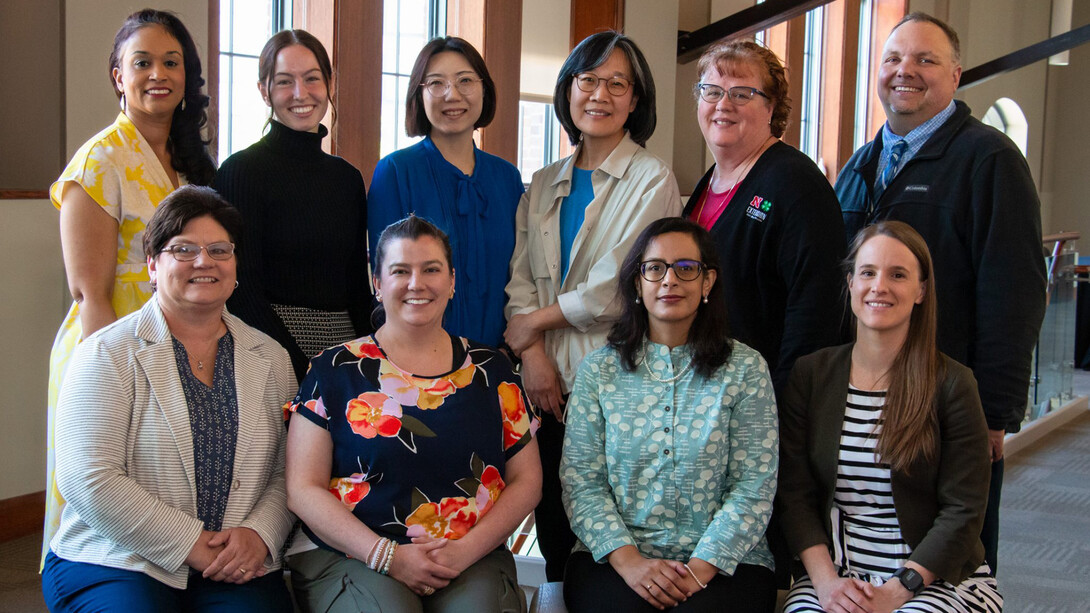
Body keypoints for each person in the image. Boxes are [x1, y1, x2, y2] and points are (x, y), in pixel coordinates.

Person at [834, 12, 1047, 575]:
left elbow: (1015, 292)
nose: (905, 71)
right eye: (893, 59)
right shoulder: (861, 163)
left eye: (925, 60)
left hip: (950, 404)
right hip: (865, 399)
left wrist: (996, 413)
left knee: (952, 558)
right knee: (869, 554)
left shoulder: (990, 160)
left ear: (955, 76)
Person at [41, 186, 296, 612]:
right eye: (183, 249)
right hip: (117, 557)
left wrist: (259, 535)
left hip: (235, 561)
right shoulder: (106, 352)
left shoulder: (270, 356)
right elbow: (88, 478)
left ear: (234, 266)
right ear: (152, 266)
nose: (204, 261)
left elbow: (289, 467)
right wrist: (190, 545)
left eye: (219, 249)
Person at [285, 216, 541, 612]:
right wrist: (387, 556)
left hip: (470, 554)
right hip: (353, 552)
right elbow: (303, 488)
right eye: (400, 271)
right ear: (377, 283)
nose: (416, 283)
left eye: (431, 270)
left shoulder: (494, 370)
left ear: (452, 281)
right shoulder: (331, 370)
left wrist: (464, 551)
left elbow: (526, 481)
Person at [505, 30, 682, 582]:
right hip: (543, 382)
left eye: (616, 83)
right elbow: (520, 278)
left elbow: (618, 287)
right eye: (588, 80)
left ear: (635, 99)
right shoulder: (541, 183)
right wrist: (533, 357)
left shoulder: (652, 178)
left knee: (608, 522)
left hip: (614, 380)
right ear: (568, 90)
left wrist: (529, 325)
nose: (599, 95)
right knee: (553, 515)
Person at [43, 8, 216, 566]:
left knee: (166, 501)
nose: (157, 74)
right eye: (141, 62)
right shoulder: (99, 160)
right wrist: (110, 380)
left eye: (171, 62)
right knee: (110, 513)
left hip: (178, 347)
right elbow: (88, 293)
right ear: (119, 74)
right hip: (111, 351)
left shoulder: (186, 165)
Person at [779, 221, 1002, 613]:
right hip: (836, 573)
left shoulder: (953, 383)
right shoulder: (811, 375)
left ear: (921, 290)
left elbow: (964, 509)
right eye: (867, 272)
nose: (879, 286)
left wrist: (899, 590)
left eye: (897, 275)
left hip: (932, 575)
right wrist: (826, 583)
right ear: (850, 283)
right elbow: (795, 495)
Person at [561, 217, 778, 613]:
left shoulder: (746, 369)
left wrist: (699, 568)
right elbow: (582, 482)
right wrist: (631, 563)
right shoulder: (599, 371)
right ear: (638, 284)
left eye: (686, 268)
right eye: (655, 268)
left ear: (707, 282)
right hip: (615, 558)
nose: (670, 280)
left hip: (727, 563)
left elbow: (753, 487)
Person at [683, 40, 846, 394]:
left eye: (742, 94)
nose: (723, 105)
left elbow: (815, 313)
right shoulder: (708, 182)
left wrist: (785, 410)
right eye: (711, 91)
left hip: (764, 401)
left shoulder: (796, 184)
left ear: (771, 107)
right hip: (706, 394)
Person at [215, 29, 372, 383]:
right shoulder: (241, 171)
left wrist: (366, 358)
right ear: (263, 90)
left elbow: (356, 287)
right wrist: (299, 366)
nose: (301, 93)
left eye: (312, 79)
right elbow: (242, 286)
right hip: (266, 351)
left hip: (345, 352)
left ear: (329, 83)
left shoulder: (347, 178)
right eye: (285, 81)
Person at [368, 36, 524, 348]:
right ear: (419, 94)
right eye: (436, 83)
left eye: (465, 80)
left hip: (499, 359)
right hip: (416, 359)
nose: (452, 95)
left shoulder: (507, 177)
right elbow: (387, 280)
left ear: (484, 89)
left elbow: (521, 275)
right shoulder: (395, 172)